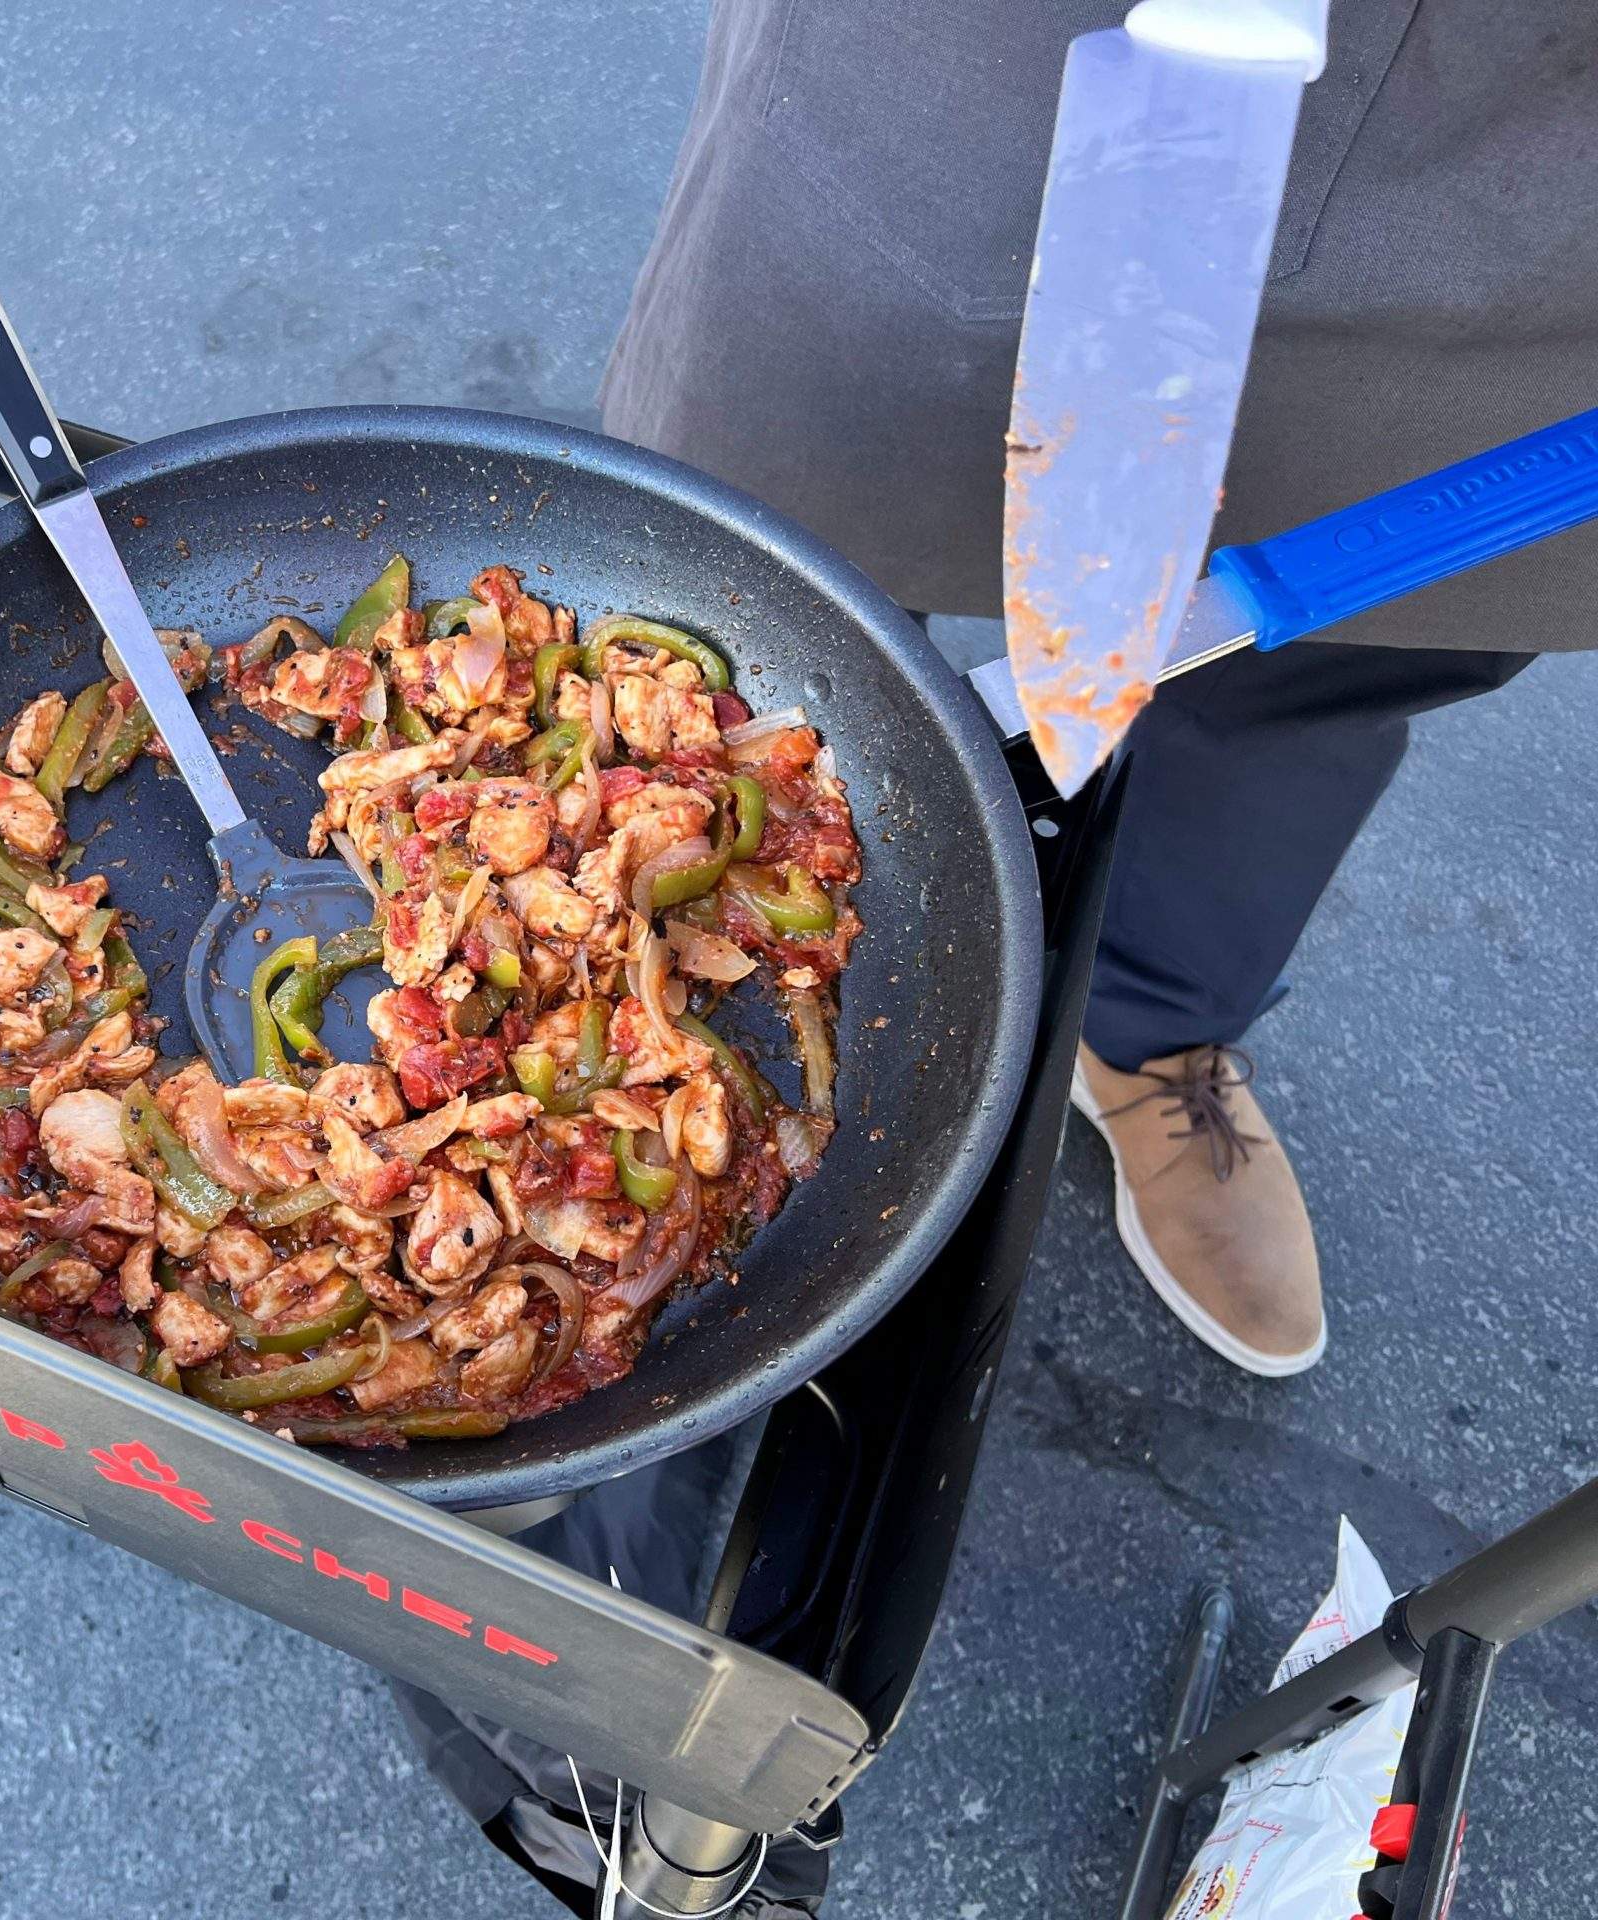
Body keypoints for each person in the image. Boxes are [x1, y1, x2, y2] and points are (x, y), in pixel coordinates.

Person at [599, 0, 1591, 1378]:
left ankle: (1150, 1032)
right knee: (759, 588)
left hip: (1542, 182)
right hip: (1006, 65)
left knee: (1320, 671)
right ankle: (635, 915)